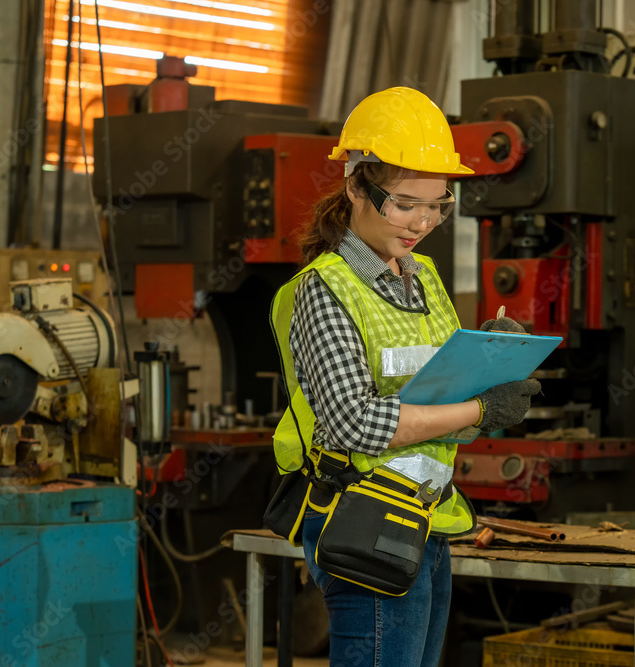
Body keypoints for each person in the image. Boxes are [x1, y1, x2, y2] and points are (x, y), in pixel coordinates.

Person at [269, 87, 540, 667]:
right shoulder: (326, 290)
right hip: (363, 521)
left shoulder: (424, 279)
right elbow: (353, 423)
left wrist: (489, 361)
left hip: (428, 518)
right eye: (404, 204)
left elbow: (436, 396)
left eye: (438, 204)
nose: (422, 221)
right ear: (355, 187)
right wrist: (482, 410)